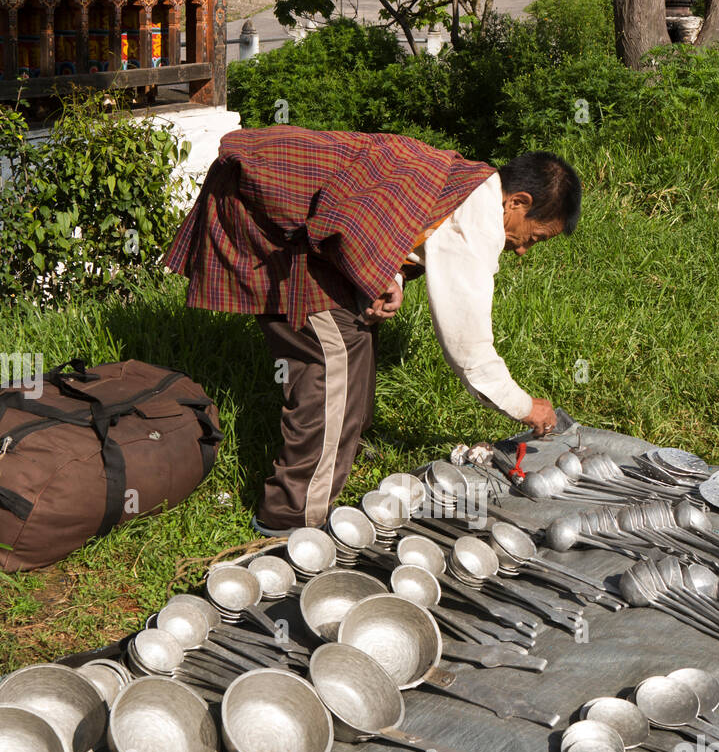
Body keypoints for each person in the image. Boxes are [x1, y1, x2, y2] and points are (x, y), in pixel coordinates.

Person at [165, 127, 581, 533]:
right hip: (268, 216)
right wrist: (526, 407)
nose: (524, 250)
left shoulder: (465, 180)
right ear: (516, 202)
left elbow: (390, 218)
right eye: (535, 237)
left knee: (355, 351)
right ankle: (290, 521)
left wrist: (390, 279)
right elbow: (468, 350)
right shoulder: (477, 219)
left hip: (302, 226)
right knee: (331, 373)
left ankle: (335, 470)